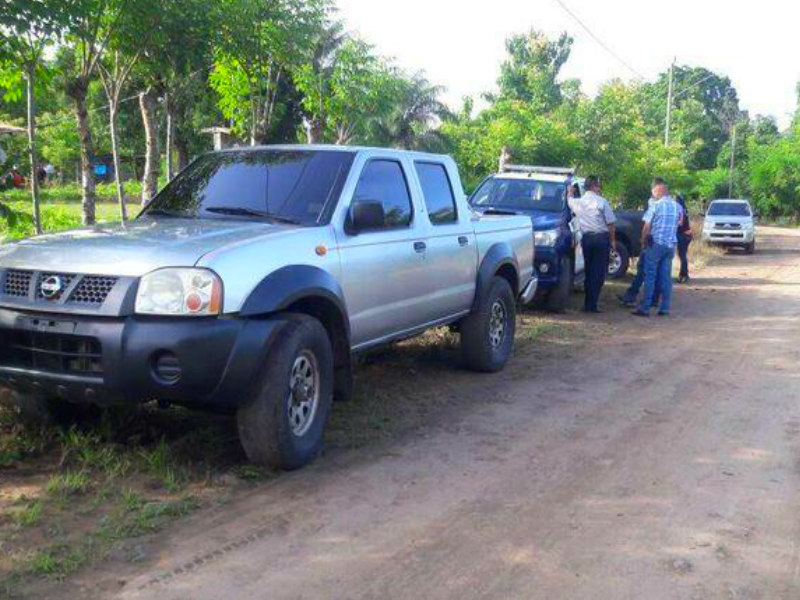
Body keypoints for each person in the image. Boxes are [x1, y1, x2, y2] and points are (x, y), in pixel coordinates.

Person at [632, 178, 683, 318]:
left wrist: (643, 241)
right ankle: (664, 308)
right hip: (670, 246)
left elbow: (647, 226)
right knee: (666, 277)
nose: (652, 193)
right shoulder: (676, 206)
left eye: (653, 191)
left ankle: (645, 308)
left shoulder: (656, 205)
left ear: (657, 190)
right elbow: (680, 223)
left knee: (650, 275)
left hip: (656, 245)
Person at [568, 175, 616, 313]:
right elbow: (611, 224)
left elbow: (569, 200)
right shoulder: (602, 202)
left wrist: (570, 192)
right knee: (599, 273)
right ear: (595, 186)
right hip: (601, 239)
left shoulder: (578, 203)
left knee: (589, 271)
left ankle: (588, 303)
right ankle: (592, 304)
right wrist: (612, 241)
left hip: (587, 240)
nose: (600, 188)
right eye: (599, 186)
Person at [618, 194, 659, 307]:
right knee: (649, 272)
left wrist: (643, 243)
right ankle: (637, 296)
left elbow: (647, 228)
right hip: (658, 244)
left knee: (645, 272)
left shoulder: (654, 210)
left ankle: (639, 298)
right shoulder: (664, 208)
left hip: (650, 244)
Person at [676, 194, 692, 283]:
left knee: (682, 255)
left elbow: (680, 224)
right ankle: (684, 274)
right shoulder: (684, 209)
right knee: (683, 255)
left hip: (683, 234)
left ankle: (683, 275)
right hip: (687, 234)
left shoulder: (680, 209)